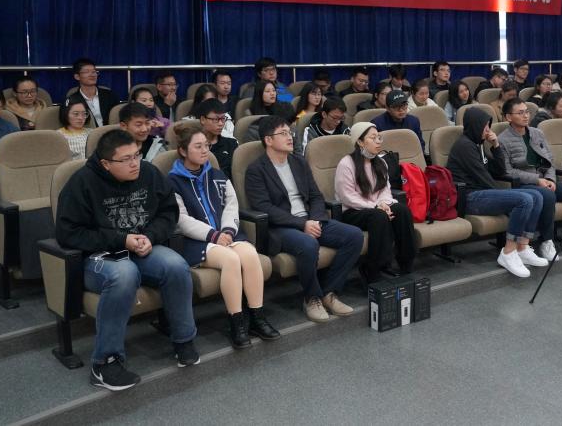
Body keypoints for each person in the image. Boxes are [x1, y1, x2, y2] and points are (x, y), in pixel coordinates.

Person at [55, 129, 198, 390]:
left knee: (176, 265)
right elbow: (68, 233)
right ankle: (105, 362)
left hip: (141, 247)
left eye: (137, 155)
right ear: (105, 163)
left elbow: (168, 212)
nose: (135, 163)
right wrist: (121, 240)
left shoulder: (149, 173)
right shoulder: (82, 183)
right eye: (126, 159)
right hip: (97, 257)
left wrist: (151, 237)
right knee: (124, 274)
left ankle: (183, 340)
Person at [168, 123, 279, 349]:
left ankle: (256, 316)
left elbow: (231, 205)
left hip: (226, 234)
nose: (204, 151)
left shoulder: (217, 174)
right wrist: (213, 235)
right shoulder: (172, 182)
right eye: (198, 146)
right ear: (182, 151)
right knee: (231, 259)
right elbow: (181, 220)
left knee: (249, 254)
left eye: (206, 146)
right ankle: (236, 322)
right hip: (196, 241)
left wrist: (227, 230)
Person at [245, 116, 364, 323]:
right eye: (283, 133)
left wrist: (315, 219)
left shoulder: (298, 162)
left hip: (310, 219)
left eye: (290, 132)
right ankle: (311, 298)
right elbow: (264, 207)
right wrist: (302, 224)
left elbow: (316, 196)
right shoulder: (256, 170)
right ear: (268, 140)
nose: (290, 137)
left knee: (354, 236)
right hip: (281, 227)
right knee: (308, 244)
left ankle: (329, 293)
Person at [446, 108, 549, 277]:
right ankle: (508, 252)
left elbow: (500, 170)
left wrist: (496, 146)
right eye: (485, 127)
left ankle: (522, 247)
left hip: (483, 192)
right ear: (475, 126)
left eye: (489, 126)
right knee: (524, 200)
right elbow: (483, 177)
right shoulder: (464, 146)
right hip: (470, 197)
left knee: (537, 196)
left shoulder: (478, 144)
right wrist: (506, 196)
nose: (488, 130)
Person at [498, 99, 562, 257]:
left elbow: (549, 160)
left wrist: (550, 179)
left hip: (546, 181)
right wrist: (537, 180)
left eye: (527, 111)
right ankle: (546, 241)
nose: (526, 116)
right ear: (508, 117)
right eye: (520, 113)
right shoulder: (502, 140)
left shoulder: (537, 133)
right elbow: (509, 171)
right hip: (524, 185)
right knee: (548, 195)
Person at [335, 122, 416, 282]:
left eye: (379, 137)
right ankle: (372, 269)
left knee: (402, 210)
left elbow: (385, 190)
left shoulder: (381, 162)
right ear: (360, 142)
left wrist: (385, 205)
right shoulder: (346, 163)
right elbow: (347, 197)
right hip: (353, 211)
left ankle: (406, 262)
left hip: (376, 208)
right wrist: (376, 206)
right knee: (379, 216)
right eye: (373, 138)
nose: (378, 141)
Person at [194, 99, 238, 176]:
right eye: (215, 119)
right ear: (203, 120)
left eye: (223, 119)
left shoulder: (231, 144)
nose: (220, 124)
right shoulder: (194, 146)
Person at [71, 58, 119, 127]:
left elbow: (117, 117)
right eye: (86, 72)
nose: (92, 75)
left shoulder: (110, 95)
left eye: (94, 71)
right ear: (77, 77)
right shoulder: (72, 101)